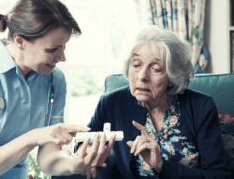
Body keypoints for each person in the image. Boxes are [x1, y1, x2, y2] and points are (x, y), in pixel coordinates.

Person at [0, 0, 115, 178]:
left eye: (63, 47)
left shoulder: (55, 80)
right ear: (20, 41)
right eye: (52, 49)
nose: (62, 58)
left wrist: (73, 165)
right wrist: (33, 137)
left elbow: (48, 156)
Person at [65, 25, 230, 179]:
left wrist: (161, 165)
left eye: (156, 69)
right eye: (136, 65)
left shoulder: (201, 107)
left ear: (172, 77)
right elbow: (85, 138)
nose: (142, 76)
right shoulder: (111, 103)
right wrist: (83, 153)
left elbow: (219, 175)